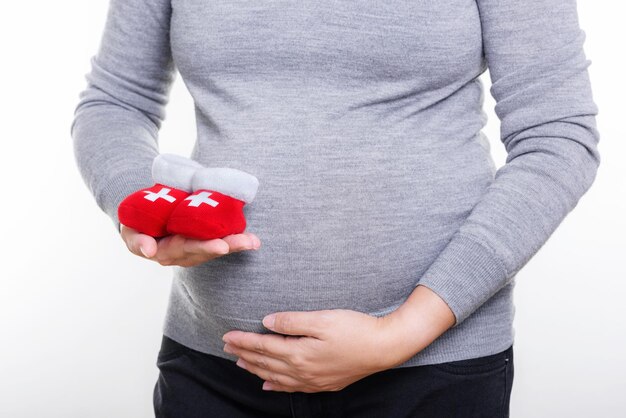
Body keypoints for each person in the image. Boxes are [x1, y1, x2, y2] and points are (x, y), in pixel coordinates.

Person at [70, 0, 600, 417]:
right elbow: (117, 102)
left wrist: (401, 333)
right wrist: (143, 208)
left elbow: (556, 135)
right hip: (214, 370)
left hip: (435, 373)